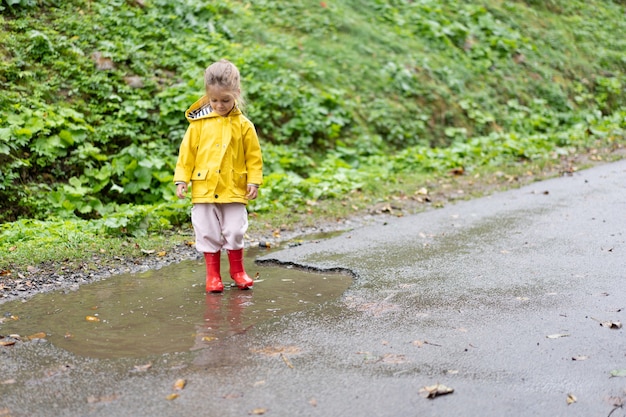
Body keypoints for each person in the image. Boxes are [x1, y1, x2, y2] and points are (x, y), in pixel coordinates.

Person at [174, 59, 263, 293]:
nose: (220, 105)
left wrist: (253, 180)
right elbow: (187, 153)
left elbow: (254, 156)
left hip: (234, 188)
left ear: (237, 93)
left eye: (226, 100)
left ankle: (237, 270)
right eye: (214, 100)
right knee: (206, 230)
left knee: (235, 230)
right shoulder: (198, 125)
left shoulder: (244, 126)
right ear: (207, 96)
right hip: (204, 188)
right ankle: (212, 275)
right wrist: (182, 178)